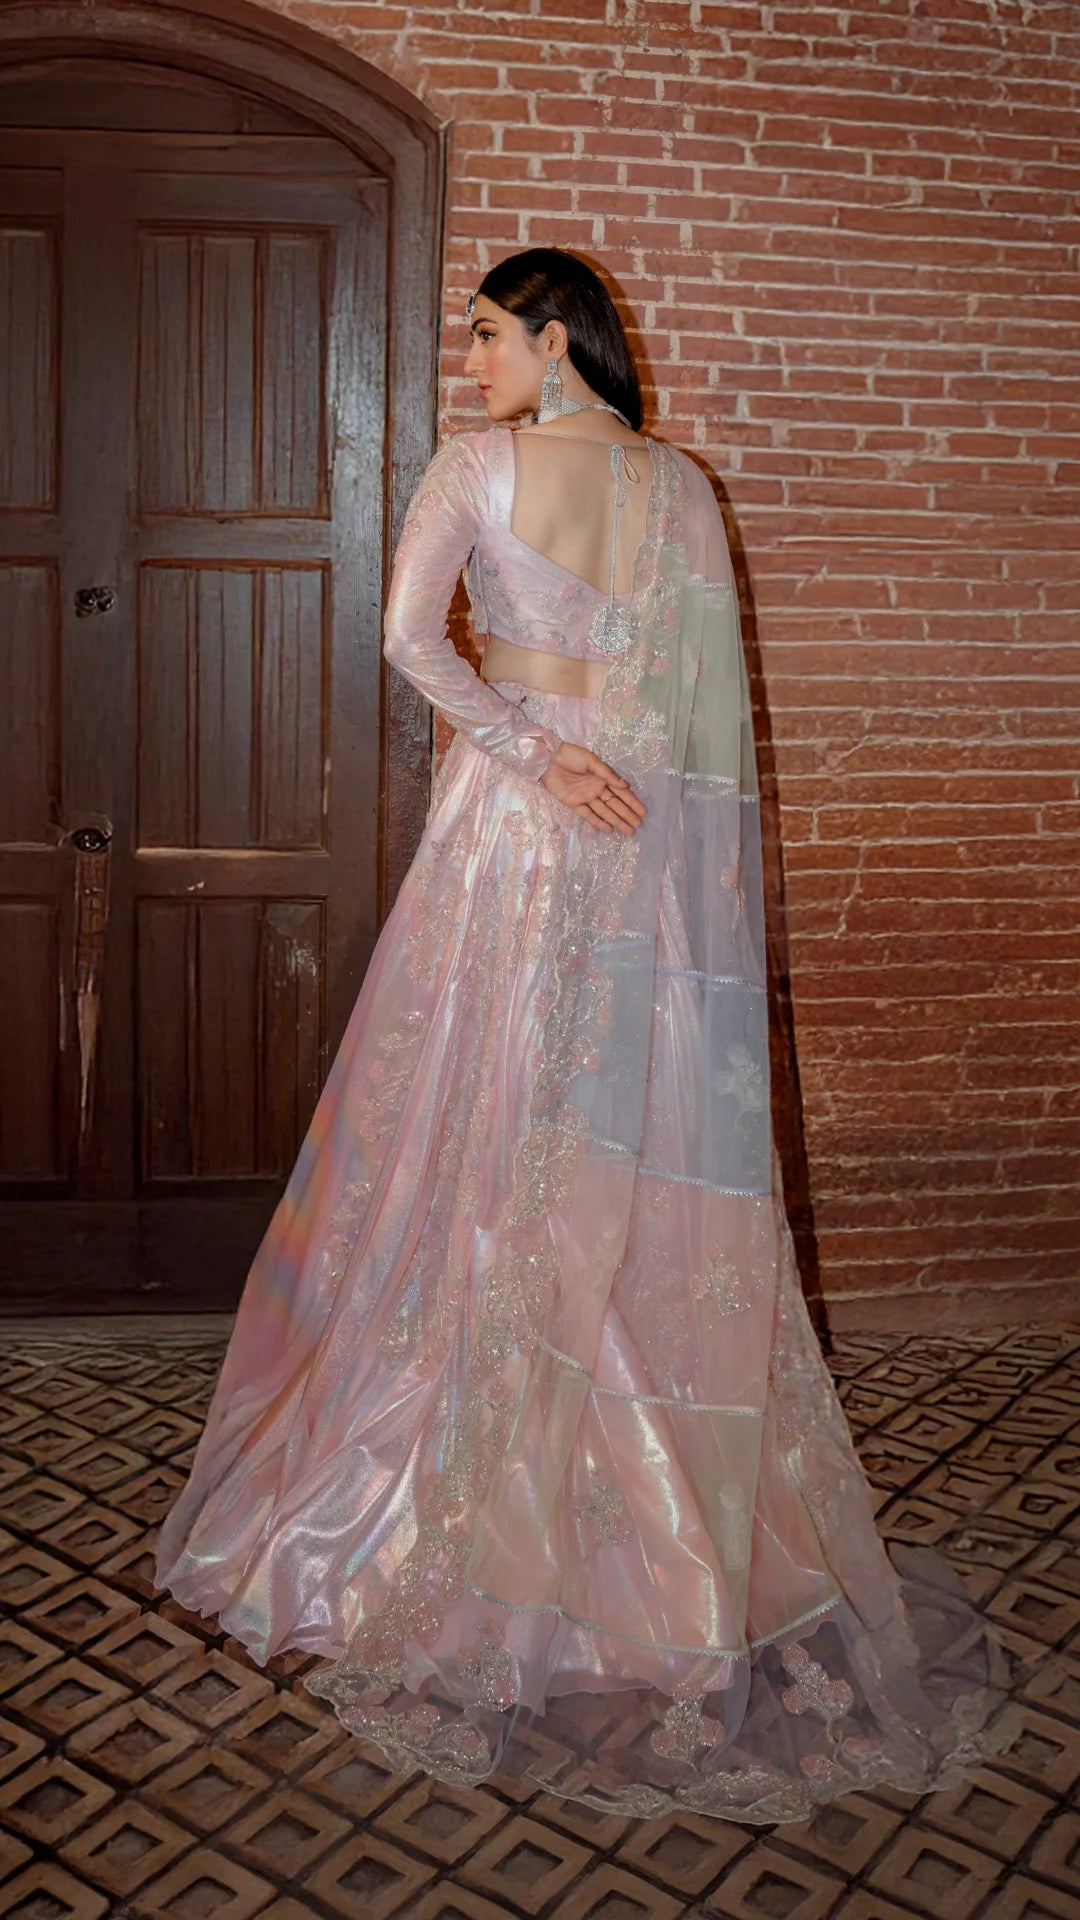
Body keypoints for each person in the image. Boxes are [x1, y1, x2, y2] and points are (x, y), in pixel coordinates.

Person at [155, 248, 1016, 1820]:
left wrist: (537, 752)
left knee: (478, 1134)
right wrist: (645, 833)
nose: (468, 361)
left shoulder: (480, 466)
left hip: (517, 838)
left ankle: (468, 1512)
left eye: (484, 334)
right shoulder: (680, 488)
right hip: (645, 870)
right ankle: (645, 1520)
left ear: (555, 340)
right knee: (613, 1143)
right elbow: (694, 730)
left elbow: (412, 645)